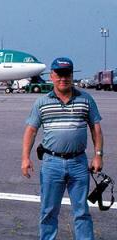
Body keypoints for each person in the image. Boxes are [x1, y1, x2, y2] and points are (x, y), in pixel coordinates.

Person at [21, 57, 103, 240]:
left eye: (67, 75)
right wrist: (25, 158)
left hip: (78, 163)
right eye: (59, 74)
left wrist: (98, 155)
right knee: (48, 211)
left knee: (82, 211)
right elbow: (31, 131)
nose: (63, 79)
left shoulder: (86, 99)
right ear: (51, 76)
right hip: (52, 164)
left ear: (72, 76)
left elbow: (95, 128)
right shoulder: (41, 103)